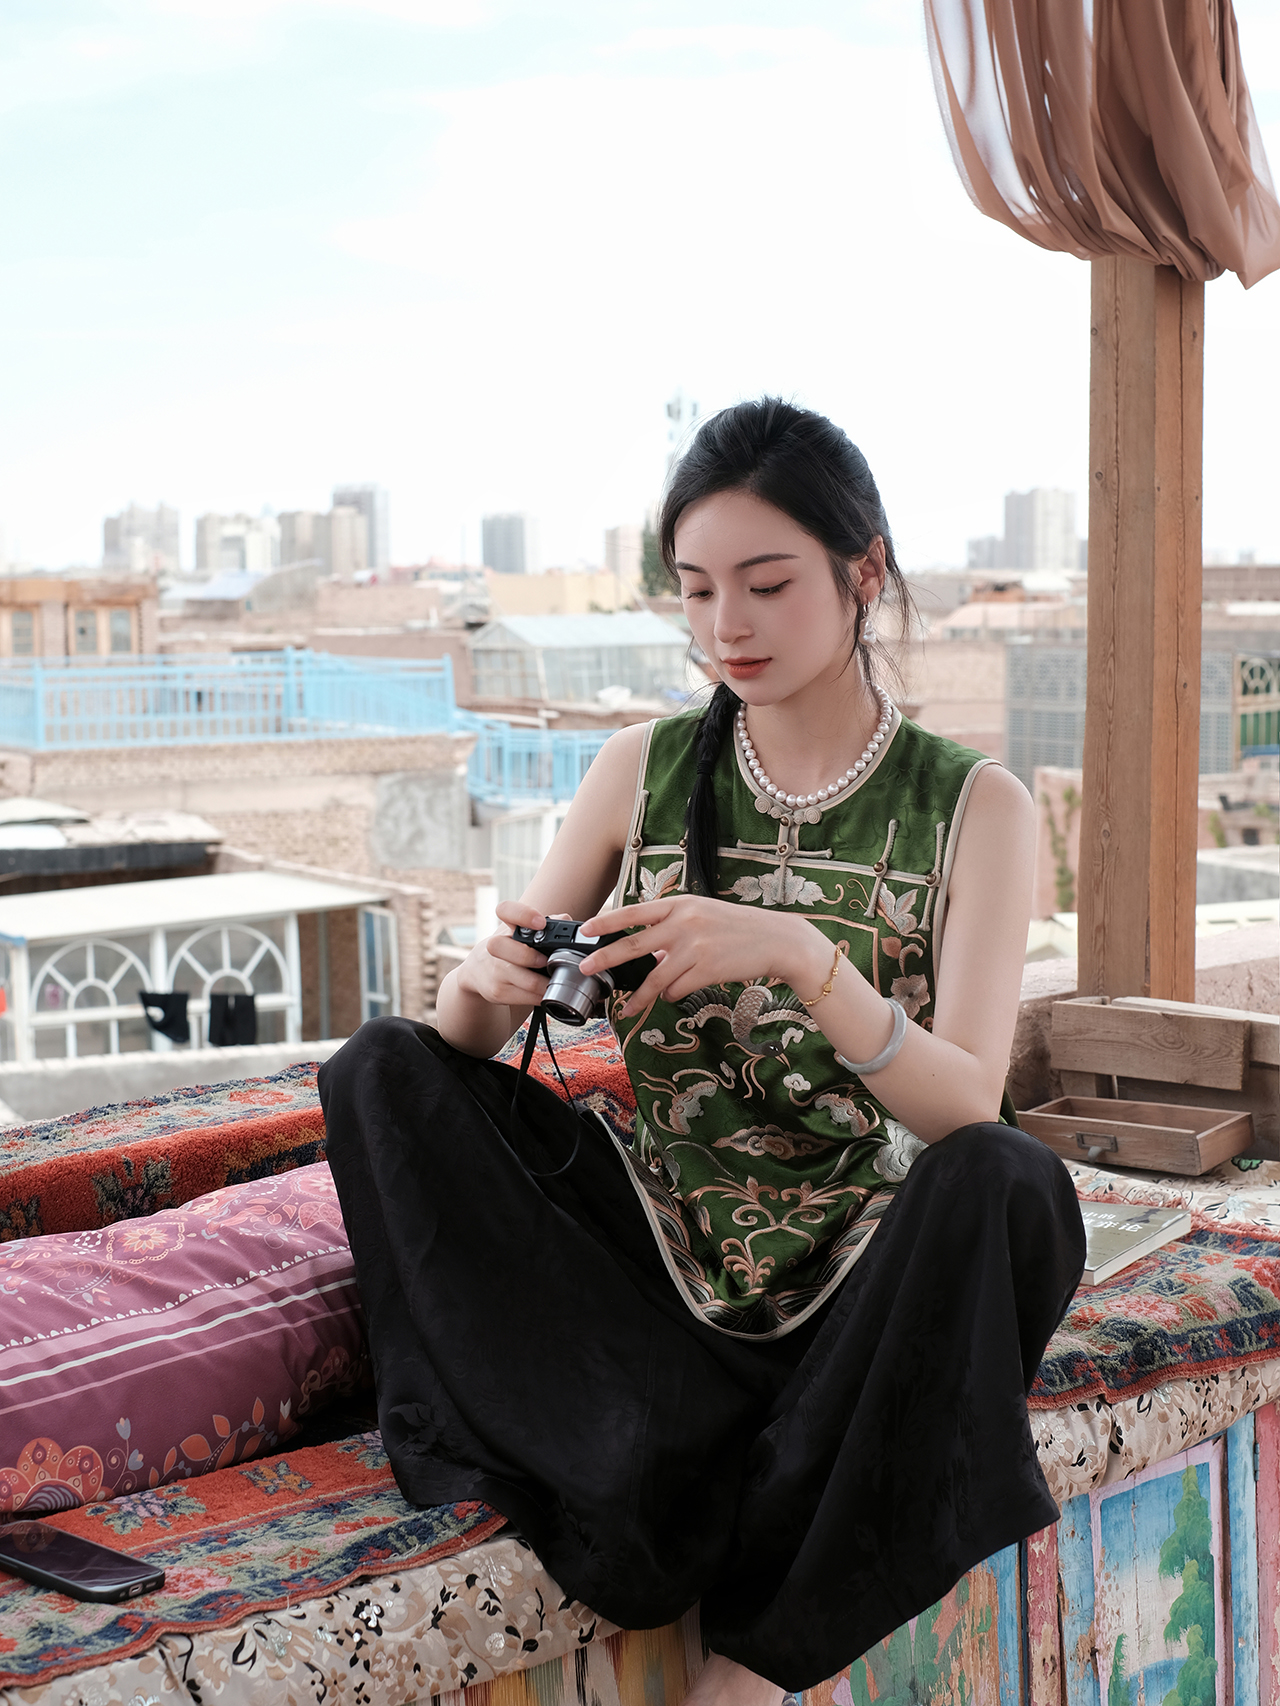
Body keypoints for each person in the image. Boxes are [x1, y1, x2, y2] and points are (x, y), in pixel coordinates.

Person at [319, 398, 1086, 1704]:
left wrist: (800, 958)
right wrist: (483, 987)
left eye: (768, 584)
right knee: (379, 1069)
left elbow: (968, 1102)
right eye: (697, 588)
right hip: (666, 1266)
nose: (729, 624)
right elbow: (473, 1042)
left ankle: (755, 1652)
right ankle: (638, 1463)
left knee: (1010, 1183)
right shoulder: (642, 768)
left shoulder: (976, 805)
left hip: (867, 1278)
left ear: (864, 573)